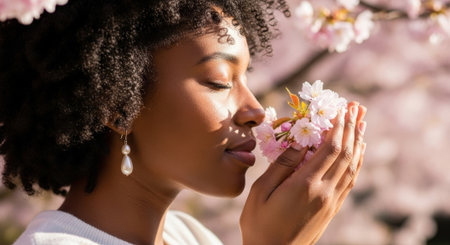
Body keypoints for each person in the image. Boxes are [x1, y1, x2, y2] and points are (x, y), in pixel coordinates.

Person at [0, 0, 367, 244]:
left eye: (247, 80)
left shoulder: (190, 236)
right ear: (115, 105)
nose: (255, 110)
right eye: (220, 81)